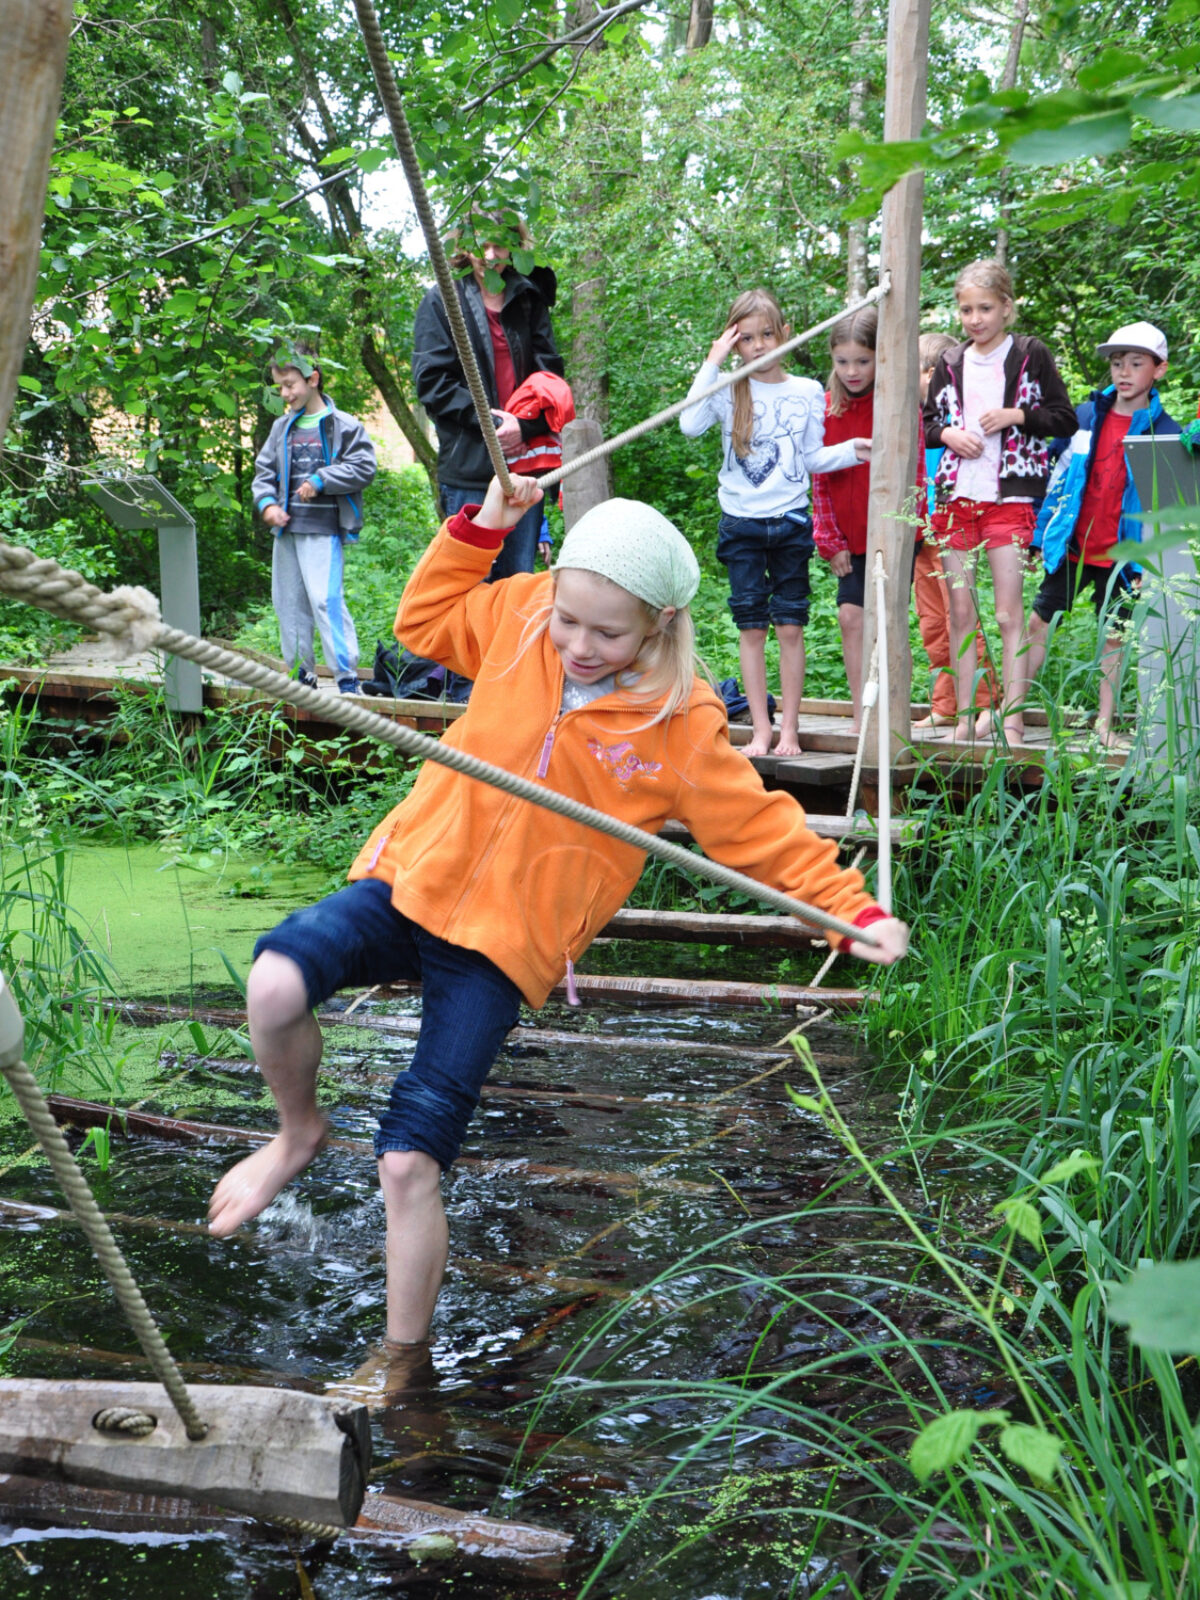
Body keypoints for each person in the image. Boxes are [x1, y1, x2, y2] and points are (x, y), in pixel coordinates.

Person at [206, 473, 909, 1348]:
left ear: (658, 624)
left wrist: (849, 909)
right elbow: (423, 623)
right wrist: (480, 529)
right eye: (568, 620)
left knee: (408, 1162)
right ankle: (296, 1134)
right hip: (412, 881)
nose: (577, 644)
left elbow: (760, 833)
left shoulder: (678, 722)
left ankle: (398, 1364)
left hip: (503, 946)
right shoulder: (521, 616)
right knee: (274, 984)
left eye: (607, 633)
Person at [680, 288, 869, 758]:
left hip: (789, 522)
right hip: (741, 525)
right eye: (746, 338)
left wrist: (853, 450)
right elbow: (688, 424)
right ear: (733, 342)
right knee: (752, 629)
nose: (759, 345)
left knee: (790, 627)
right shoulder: (728, 389)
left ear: (785, 334)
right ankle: (761, 731)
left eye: (767, 334)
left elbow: (811, 458)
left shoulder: (807, 391)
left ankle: (789, 730)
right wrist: (714, 361)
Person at [923, 259, 1076, 743]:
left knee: (1009, 614)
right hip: (956, 498)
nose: (975, 319)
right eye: (966, 310)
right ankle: (965, 719)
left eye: (985, 308)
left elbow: (1064, 419)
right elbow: (926, 424)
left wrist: (1017, 415)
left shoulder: (1030, 354)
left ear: (1006, 308)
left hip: (1010, 498)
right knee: (960, 613)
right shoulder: (950, 363)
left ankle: (1011, 720)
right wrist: (948, 434)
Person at [1026, 321, 1182, 746]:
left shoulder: (1167, 431)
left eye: (1136, 363)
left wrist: (1148, 562)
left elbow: (1166, 510)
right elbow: (1057, 480)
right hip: (1074, 545)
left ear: (1159, 369)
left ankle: (1104, 724)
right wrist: (1040, 535)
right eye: (1117, 363)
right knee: (1037, 621)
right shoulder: (1085, 416)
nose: (1124, 371)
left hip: (1123, 557)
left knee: (1114, 635)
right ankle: (1010, 711)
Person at [412, 207, 564, 580]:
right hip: (470, 469)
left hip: (524, 468)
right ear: (465, 246)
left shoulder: (529, 297)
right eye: (483, 246)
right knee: (468, 585)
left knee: (515, 585)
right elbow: (432, 382)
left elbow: (550, 376)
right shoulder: (442, 301)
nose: (492, 256)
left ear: (515, 246)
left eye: (501, 245)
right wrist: (494, 424)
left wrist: (523, 428)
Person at [811, 308, 925, 734]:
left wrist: (907, 527)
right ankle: (862, 714)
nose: (852, 371)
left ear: (881, 357)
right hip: (849, 536)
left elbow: (915, 471)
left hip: (894, 532)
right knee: (850, 618)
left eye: (862, 360)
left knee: (888, 621)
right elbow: (819, 477)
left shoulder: (897, 404)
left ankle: (892, 713)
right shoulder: (826, 409)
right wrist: (829, 540)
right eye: (842, 361)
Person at [253, 345, 377, 693]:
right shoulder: (281, 428)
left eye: (290, 385)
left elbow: (364, 467)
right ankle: (300, 675)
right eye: (279, 386)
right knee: (288, 603)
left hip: (323, 530)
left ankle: (346, 677)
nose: (284, 393)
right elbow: (264, 472)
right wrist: (267, 505)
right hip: (286, 531)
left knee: (325, 599)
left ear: (313, 379)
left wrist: (322, 480)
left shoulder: (344, 425)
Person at [911, 331, 997, 731]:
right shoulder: (911, 420)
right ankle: (946, 702)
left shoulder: (959, 419)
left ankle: (985, 702)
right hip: (919, 533)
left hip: (952, 529)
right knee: (931, 621)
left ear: (931, 375)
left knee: (960, 616)